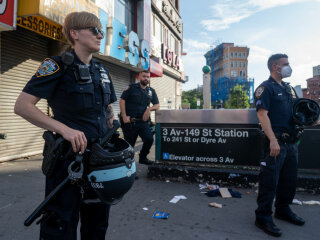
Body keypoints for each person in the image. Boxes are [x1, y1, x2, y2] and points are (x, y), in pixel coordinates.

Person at [14, 11, 117, 239]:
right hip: (68, 162)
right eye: (95, 30)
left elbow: (107, 107)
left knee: (98, 224)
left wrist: (110, 118)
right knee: (60, 225)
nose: (101, 36)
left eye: (101, 31)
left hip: (99, 161)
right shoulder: (56, 65)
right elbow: (22, 106)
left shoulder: (102, 70)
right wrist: (64, 129)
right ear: (75, 33)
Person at [254, 53, 307, 237]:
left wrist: (311, 119)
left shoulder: (289, 89)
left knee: (288, 180)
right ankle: (263, 217)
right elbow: (262, 115)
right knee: (270, 181)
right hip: (275, 142)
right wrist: (273, 140)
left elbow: (296, 111)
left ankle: (283, 210)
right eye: (286, 64)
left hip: (291, 143)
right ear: (275, 67)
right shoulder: (265, 88)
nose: (289, 67)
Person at [119, 70, 159, 165]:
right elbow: (122, 100)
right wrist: (124, 116)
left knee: (149, 139)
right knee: (129, 146)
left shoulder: (151, 91)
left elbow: (157, 105)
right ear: (139, 77)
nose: (146, 78)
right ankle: (129, 167)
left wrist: (149, 109)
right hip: (130, 122)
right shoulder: (131, 88)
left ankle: (143, 158)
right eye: (144, 76)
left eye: (148, 77)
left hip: (142, 122)